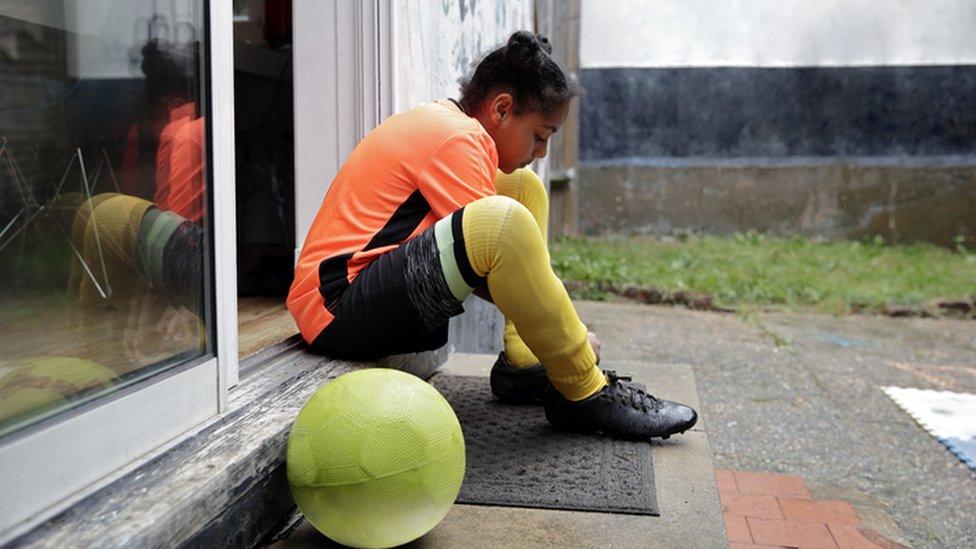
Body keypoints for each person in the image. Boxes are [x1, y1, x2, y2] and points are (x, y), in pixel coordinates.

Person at [287, 31, 697, 440]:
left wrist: (550, 336)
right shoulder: (459, 140)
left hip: (353, 295)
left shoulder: (450, 126)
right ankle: (585, 391)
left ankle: (522, 364)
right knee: (503, 222)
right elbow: (497, 255)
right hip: (338, 309)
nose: (541, 153)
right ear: (501, 109)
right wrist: (574, 340)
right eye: (540, 135)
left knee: (522, 191)